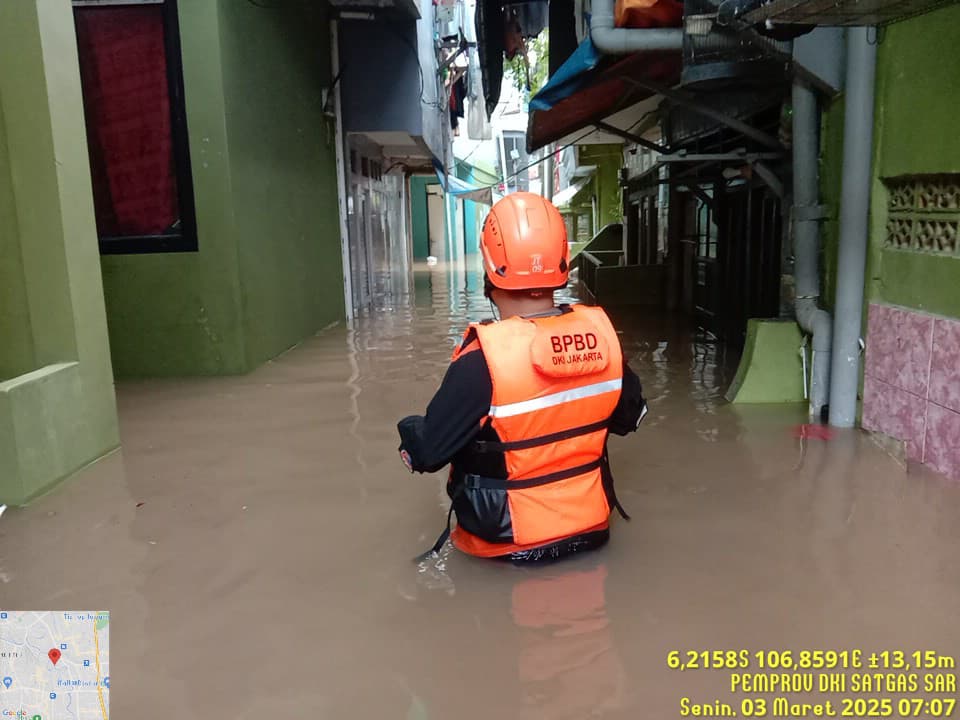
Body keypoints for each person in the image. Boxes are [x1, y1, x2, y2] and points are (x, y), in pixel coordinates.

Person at [398, 192, 648, 562]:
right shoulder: (603, 341)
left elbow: (428, 454)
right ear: (562, 261)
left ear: (489, 266)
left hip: (506, 549)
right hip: (592, 535)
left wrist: (412, 430)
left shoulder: (481, 361)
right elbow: (630, 418)